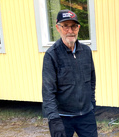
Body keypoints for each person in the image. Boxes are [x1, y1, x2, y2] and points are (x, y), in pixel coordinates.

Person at [42, 9, 97, 137]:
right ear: (58, 28)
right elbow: (48, 90)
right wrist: (54, 119)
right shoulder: (52, 55)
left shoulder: (86, 51)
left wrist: (92, 103)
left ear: (78, 28)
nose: (70, 31)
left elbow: (92, 80)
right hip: (62, 117)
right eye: (65, 26)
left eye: (73, 26)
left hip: (86, 115)